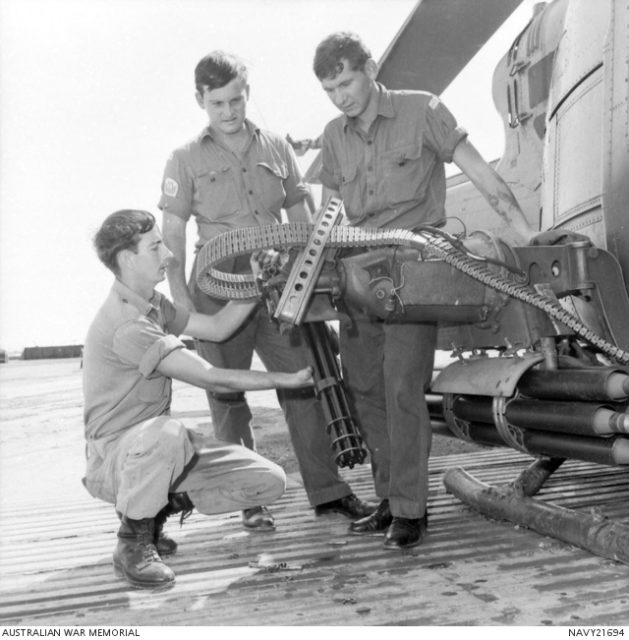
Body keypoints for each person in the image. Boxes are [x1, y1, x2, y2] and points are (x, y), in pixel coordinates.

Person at [312, 32, 535, 549]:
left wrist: (524, 236)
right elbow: (327, 214)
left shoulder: (423, 111)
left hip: (413, 274)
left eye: (346, 82)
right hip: (356, 277)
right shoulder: (332, 135)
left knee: (401, 390)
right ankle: (388, 499)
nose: (341, 96)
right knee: (365, 389)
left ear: (369, 68)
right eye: (330, 89)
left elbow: (482, 173)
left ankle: (412, 511)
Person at [158, 50, 374, 532]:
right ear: (201, 101)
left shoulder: (277, 146)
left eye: (236, 100)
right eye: (218, 104)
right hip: (217, 283)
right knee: (228, 396)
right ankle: (251, 498)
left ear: (247, 93)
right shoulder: (184, 158)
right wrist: (183, 300)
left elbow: (301, 214)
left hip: (278, 279)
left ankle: (329, 492)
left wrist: (309, 275)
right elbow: (171, 231)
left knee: (302, 380)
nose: (230, 111)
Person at [82, 209, 315, 589]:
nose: (169, 256)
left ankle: (153, 510)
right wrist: (287, 379)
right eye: (156, 247)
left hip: (154, 451)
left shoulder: (153, 305)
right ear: (127, 259)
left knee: (268, 481)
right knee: (168, 434)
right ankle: (133, 541)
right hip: (116, 459)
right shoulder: (128, 324)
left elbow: (218, 328)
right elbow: (212, 378)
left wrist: (258, 281)